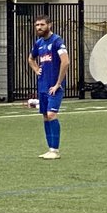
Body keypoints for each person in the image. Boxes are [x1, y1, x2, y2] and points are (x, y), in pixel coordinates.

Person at [27, 15, 70, 160]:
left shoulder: (57, 41)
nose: (39, 27)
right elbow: (31, 58)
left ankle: (55, 150)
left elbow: (66, 62)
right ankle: (50, 149)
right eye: (37, 25)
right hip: (43, 86)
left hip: (54, 86)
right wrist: (35, 69)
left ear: (49, 25)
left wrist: (58, 83)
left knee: (52, 115)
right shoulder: (38, 43)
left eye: (42, 25)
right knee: (45, 117)